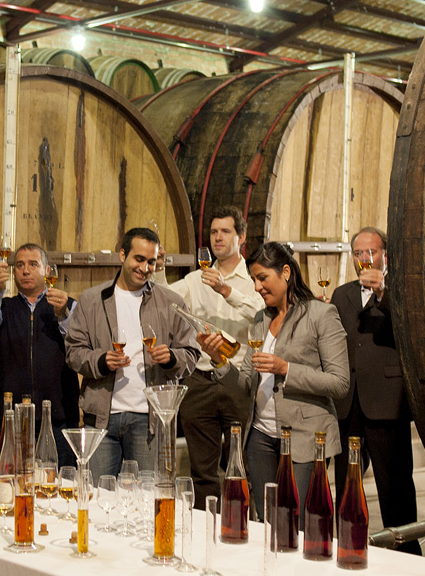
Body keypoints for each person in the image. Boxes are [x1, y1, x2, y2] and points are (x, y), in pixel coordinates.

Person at [197, 241, 349, 521]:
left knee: (298, 522)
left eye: (262, 278)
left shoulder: (321, 315)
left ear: (286, 272)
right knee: (268, 520)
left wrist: (286, 369)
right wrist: (219, 360)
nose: (256, 287)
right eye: (254, 279)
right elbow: (244, 384)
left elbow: (339, 382)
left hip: (305, 435)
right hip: (260, 437)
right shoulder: (260, 319)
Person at [65, 227, 200, 478]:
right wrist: (101, 361)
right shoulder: (92, 299)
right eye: (139, 259)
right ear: (122, 255)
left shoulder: (172, 303)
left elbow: (191, 354)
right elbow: (73, 352)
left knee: (148, 500)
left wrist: (171, 358)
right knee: (98, 497)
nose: (145, 268)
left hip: (149, 420)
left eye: (151, 261)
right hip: (103, 419)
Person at [331, 227, 421, 554]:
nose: (365, 259)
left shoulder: (402, 292)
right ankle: (350, 547)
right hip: (348, 402)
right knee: (346, 483)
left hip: (386, 401)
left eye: (372, 252)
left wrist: (384, 293)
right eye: (359, 253)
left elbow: (412, 331)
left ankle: (410, 556)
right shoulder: (342, 294)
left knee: (394, 485)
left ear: (385, 255)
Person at [169, 207, 263, 509]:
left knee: (241, 466)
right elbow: (164, 298)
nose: (217, 237)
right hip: (199, 380)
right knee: (202, 471)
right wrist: (156, 268)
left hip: (237, 379)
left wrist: (226, 291)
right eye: (213, 232)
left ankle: (242, 530)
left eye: (225, 231)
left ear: (241, 237)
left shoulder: (253, 279)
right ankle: (203, 531)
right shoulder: (196, 278)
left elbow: (261, 314)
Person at [0, 242, 79, 468]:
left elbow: (81, 340)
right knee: (17, 485)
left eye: (33, 264)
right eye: (19, 265)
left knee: (60, 486)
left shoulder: (66, 304)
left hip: (59, 418)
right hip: (16, 419)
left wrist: (63, 313)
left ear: (47, 270)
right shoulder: (4, 307)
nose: (25, 271)